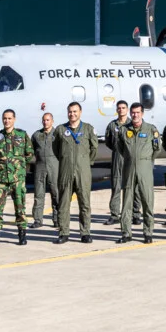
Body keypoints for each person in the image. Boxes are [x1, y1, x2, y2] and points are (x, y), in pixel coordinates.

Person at [52, 102, 98, 244]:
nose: (72, 114)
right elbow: (56, 149)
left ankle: (85, 232)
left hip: (82, 172)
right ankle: (64, 232)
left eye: (75, 111)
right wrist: (66, 161)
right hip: (65, 171)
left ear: (80, 112)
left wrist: (84, 162)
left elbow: (94, 148)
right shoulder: (60, 130)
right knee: (64, 203)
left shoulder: (88, 129)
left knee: (84, 203)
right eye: (70, 112)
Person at [0, 109, 33, 247]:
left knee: (20, 207)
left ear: (14, 119)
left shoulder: (22, 135)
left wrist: (18, 165)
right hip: (0, 179)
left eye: (9, 118)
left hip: (17, 179)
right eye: (5, 118)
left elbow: (29, 153)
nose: (7, 121)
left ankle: (22, 235)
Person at [118, 103, 160, 244]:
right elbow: (120, 147)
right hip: (129, 169)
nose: (135, 115)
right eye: (133, 113)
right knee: (127, 203)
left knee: (147, 201)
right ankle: (126, 233)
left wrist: (146, 160)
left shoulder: (151, 130)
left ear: (142, 113)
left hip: (145, 169)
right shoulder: (124, 130)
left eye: (137, 112)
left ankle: (148, 233)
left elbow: (157, 148)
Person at [31, 112, 60, 229]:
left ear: (52, 121)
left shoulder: (58, 134)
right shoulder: (37, 135)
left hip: (54, 165)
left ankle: (57, 219)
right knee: (39, 194)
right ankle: (38, 220)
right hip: (40, 166)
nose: (45, 122)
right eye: (44, 120)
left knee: (56, 193)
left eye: (48, 120)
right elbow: (30, 149)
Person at [104, 101, 131, 226]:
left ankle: (134, 214)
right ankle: (114, 215)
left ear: (127, 109)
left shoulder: (132, 124)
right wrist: (117, 150)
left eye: (123, 108)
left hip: (130, 158)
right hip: (117, 158)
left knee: (132, 188)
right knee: (116, 187)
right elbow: (108, 141)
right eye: (119, 108)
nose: (121, 110)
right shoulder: (112, 125)